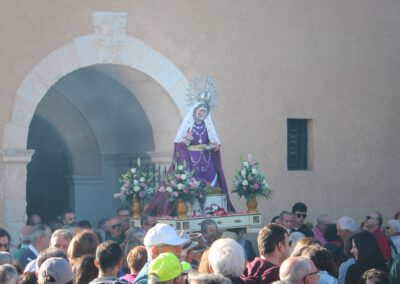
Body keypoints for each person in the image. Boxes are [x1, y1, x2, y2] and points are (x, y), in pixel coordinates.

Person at [146, 76, 235, 216]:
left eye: (204, 112)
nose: (201, 113)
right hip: (192, 159)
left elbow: (214, 142)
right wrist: (186, 140)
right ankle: (193, 210)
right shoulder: (188, 126)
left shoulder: (208, 126)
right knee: (193, 183)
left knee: (212, 181)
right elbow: (179, 145)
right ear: (195, 111)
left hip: (206, 158)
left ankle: (213, 209)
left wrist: (215, 146)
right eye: (199, 111)